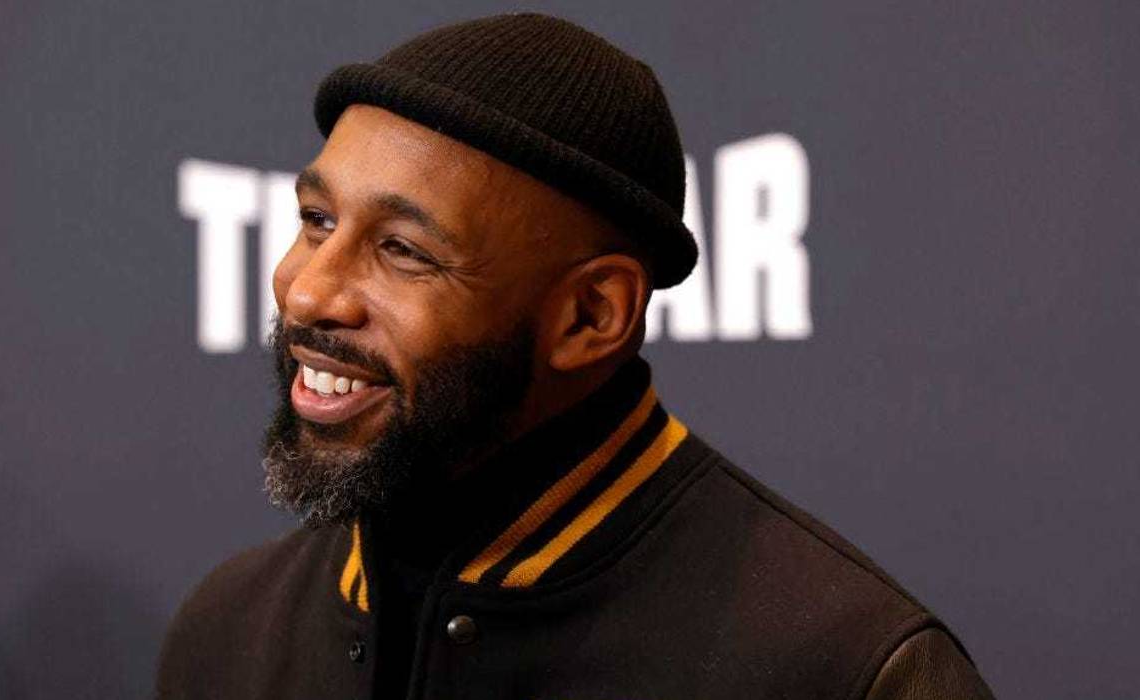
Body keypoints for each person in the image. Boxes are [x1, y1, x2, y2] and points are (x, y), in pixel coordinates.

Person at [156, 13, 995, 700]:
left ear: (591, 315)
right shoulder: (227, 632)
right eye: (316, 221)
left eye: (403, 250)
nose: (307, 293)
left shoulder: (847, 670)